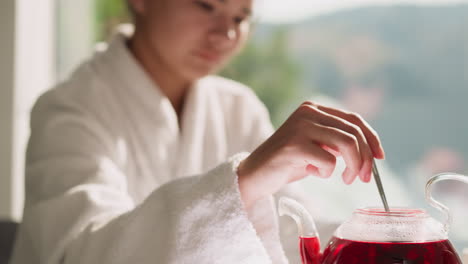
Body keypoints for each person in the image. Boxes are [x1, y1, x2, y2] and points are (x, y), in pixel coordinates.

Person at [10, 0, 385, 263]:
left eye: (241, 18)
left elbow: (291, 228)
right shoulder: (68, 108)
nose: (225, 33)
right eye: (207, 5)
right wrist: (244, 181)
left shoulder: (238, 107)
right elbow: (80, 253)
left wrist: (382, 242)